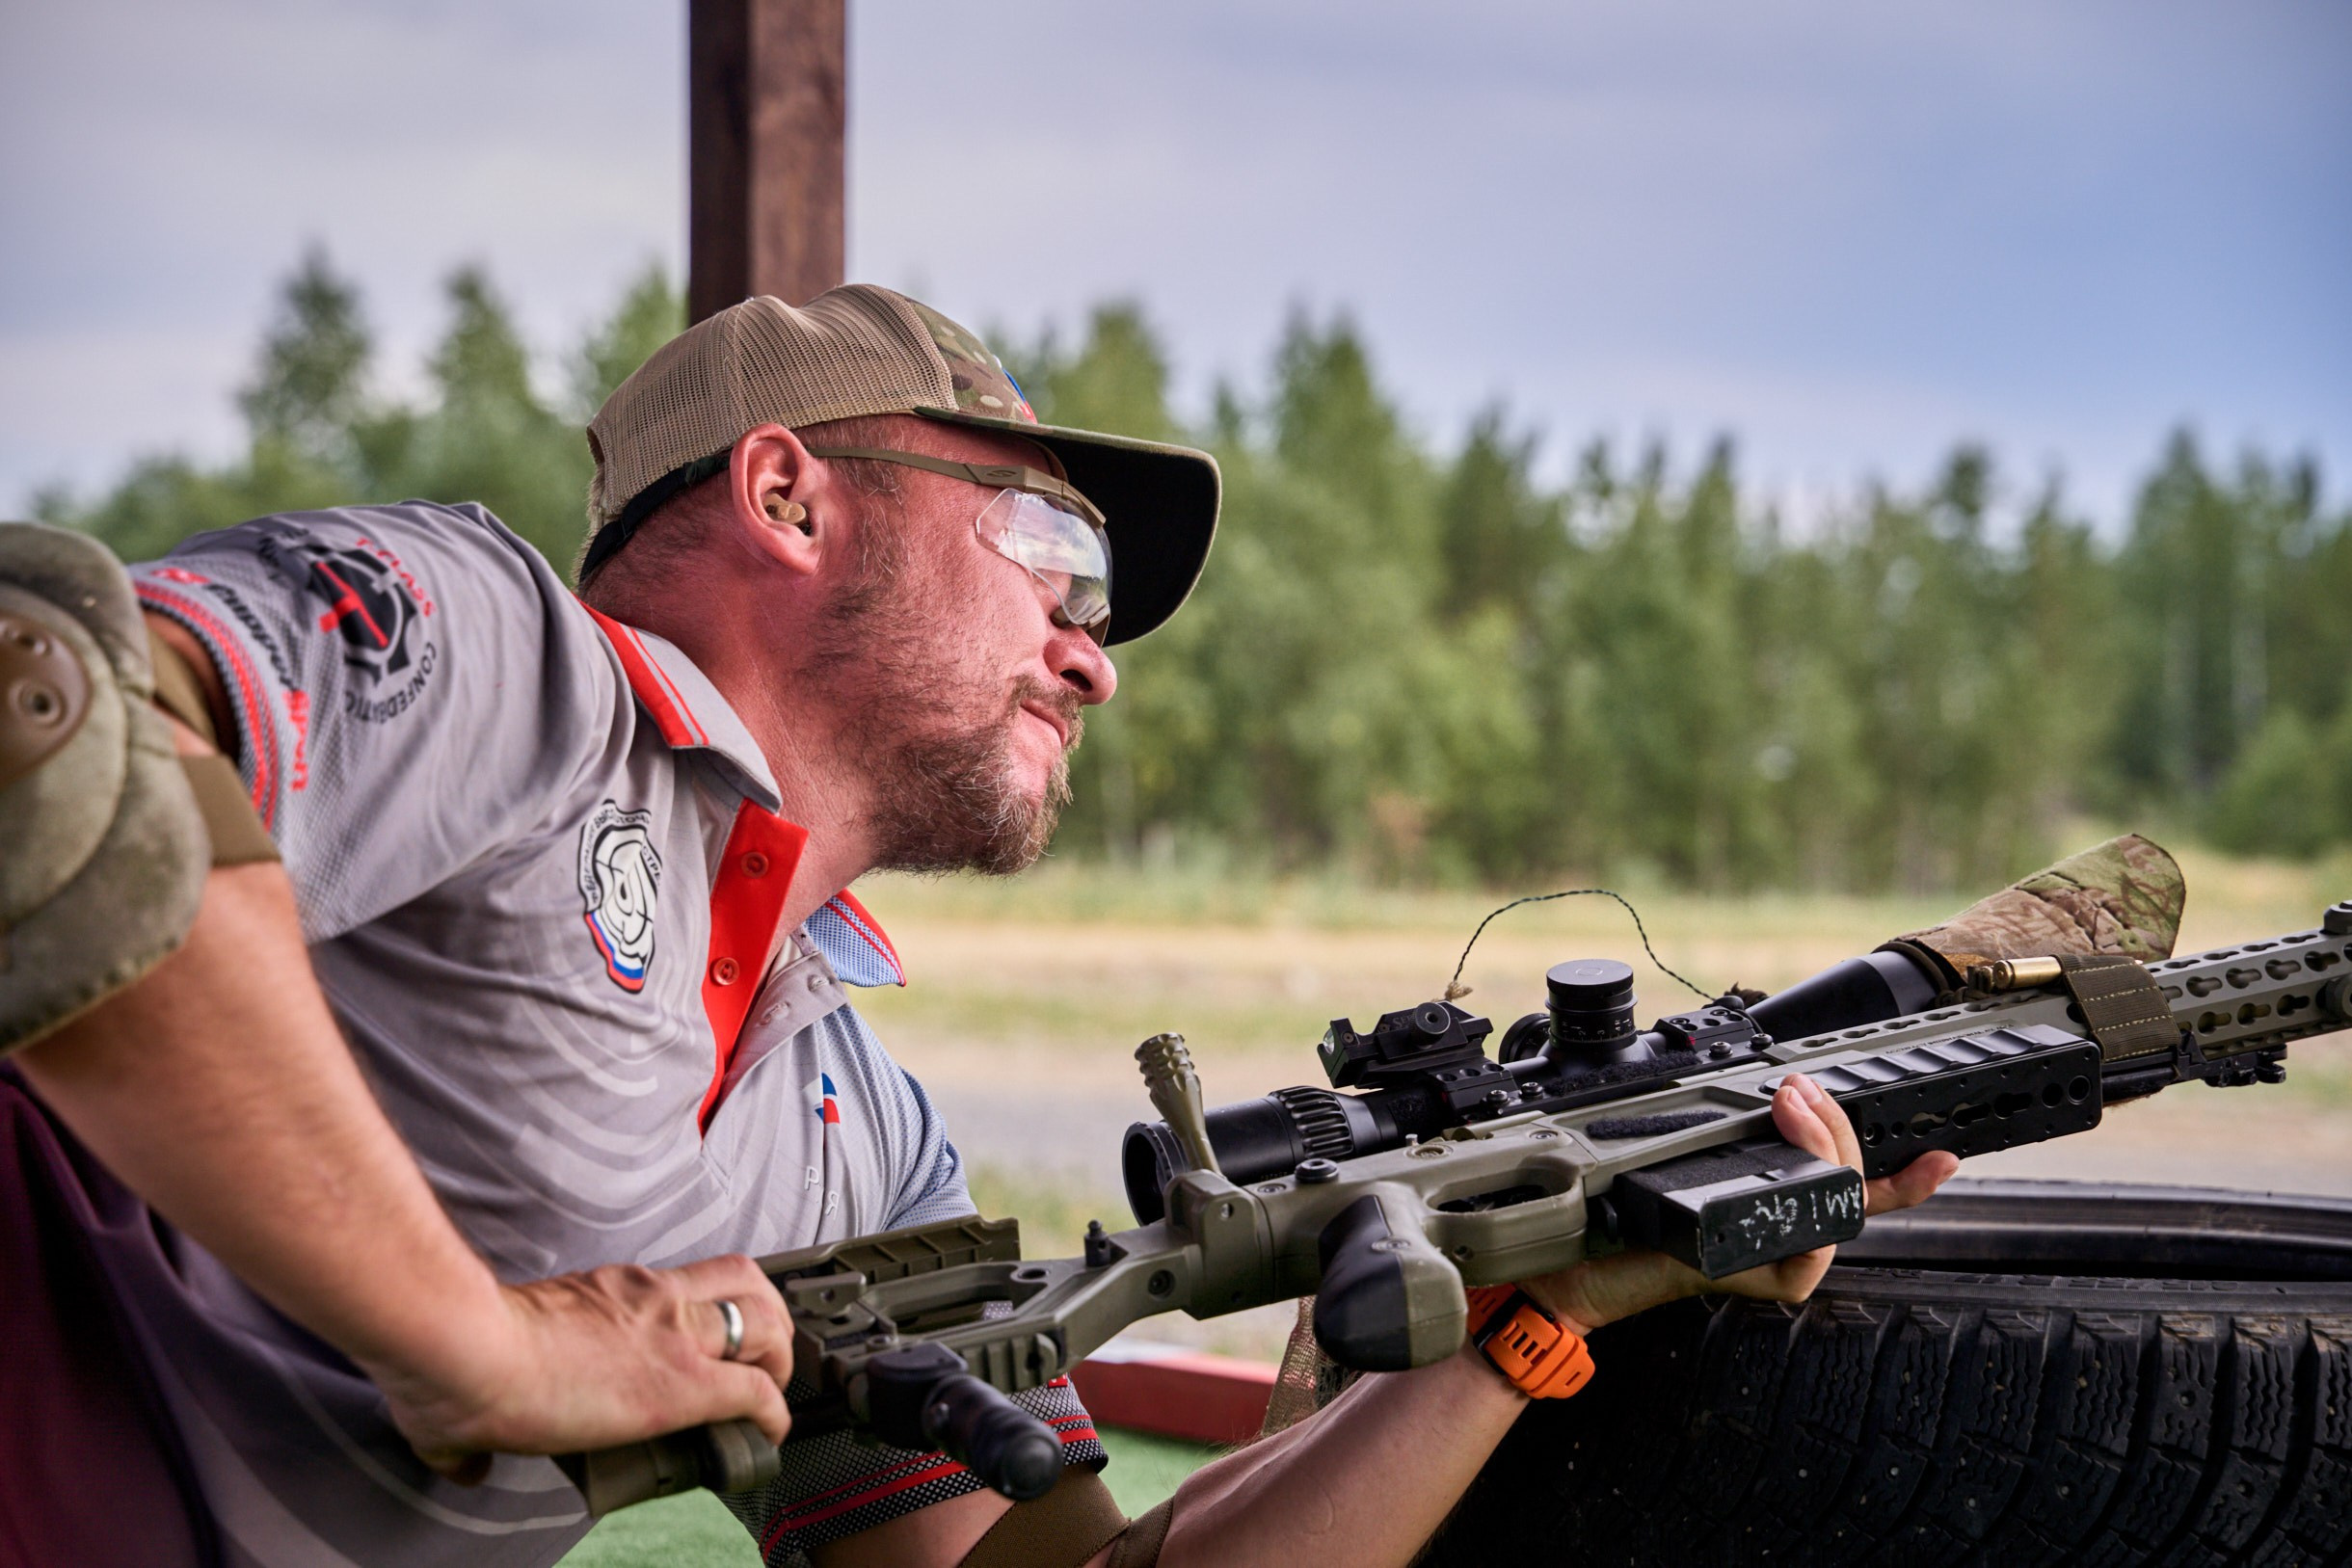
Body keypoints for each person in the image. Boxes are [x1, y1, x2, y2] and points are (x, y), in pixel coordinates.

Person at [0, 284, 1956, 1568]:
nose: (1092, 661)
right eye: (1055, 557)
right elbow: (41, 734)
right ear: (785, 492)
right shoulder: (507, 664)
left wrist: (1517, 1325)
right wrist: (483, 1352)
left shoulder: (851, 1128)